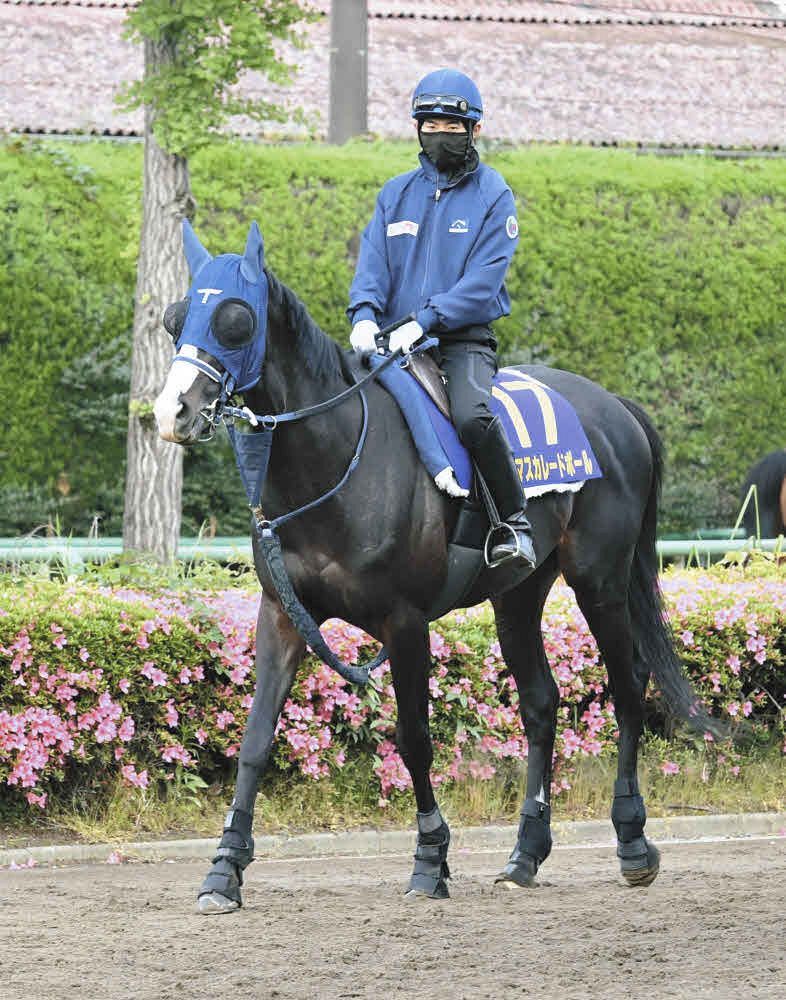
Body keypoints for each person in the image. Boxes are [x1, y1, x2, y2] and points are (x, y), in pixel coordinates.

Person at [348, 68, 536, 566]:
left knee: (472, 418)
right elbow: (372, 265)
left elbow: (483, 283)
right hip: (391, 343)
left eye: (452, 127)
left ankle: (512, 523)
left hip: (460, 341)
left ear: (475, 129)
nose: (440, 135)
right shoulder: (395, 194)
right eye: (430, 126)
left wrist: (426, 320)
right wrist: (364, 315)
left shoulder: (494, 195)